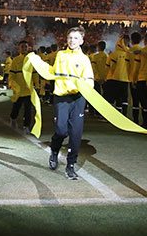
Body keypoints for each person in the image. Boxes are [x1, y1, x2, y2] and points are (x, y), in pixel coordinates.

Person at [46, 26, 94, 180]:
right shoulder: (60, 55)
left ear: (81, 40)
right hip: (62, 97)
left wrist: (86, 88)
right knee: (61, 130)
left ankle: (70, 165)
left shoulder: (85, 59)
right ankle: (54, 150)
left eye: (75, 38)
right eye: (70, 38)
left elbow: (90, 81)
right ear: (66, 40)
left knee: (75, 134)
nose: (72, 41)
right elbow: (53, 72)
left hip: (78, 99)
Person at [8, 41, 34, 130]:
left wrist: (37, 85)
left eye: (26, 47)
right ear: (19, 48)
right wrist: (11, 84)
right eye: (22, 47)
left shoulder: (31, 60)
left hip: (28, 89)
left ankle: (26, 126)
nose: (24, 48)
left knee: (28, 109)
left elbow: (34, 74)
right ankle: (13, 118)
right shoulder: (15, 60)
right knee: (16, 107)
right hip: (18, 89)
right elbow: (11, 74)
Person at [105, 33, 132, 117]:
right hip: (126, 79)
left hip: (115, 78)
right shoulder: (130, 53)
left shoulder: (114, 54)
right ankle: (124, 114)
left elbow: (111, 67)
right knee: (124, 98)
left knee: (116, 97)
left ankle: (115, 116)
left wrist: (109, 76)